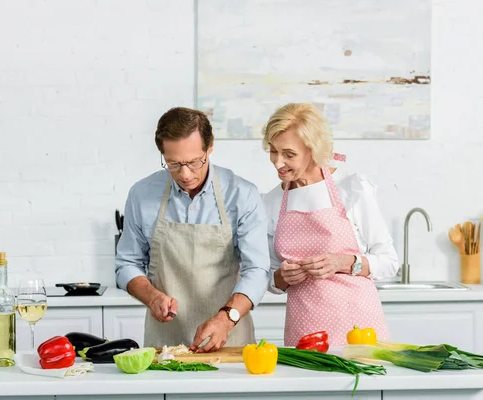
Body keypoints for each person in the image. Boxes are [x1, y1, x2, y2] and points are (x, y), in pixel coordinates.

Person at [115, 106, 270, 352]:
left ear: (210, 147)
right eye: (174, 164)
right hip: (165, 345)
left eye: (195, 162)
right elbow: (126, 264)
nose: (185, 174)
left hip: (229, 339)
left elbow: (258, 270)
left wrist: (225, 319)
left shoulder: (241, 194)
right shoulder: (142, 194)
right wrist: (152, 297)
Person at [261, 103, 400, 346]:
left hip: (358, 328)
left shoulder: (350, 189)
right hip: (303, 329)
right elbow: (270, 280)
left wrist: (344, 262)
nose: (278, 162)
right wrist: (283, 276)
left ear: (312, 150)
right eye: (273, 151)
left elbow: (389, 261)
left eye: (289, 154)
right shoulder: (272, 202)